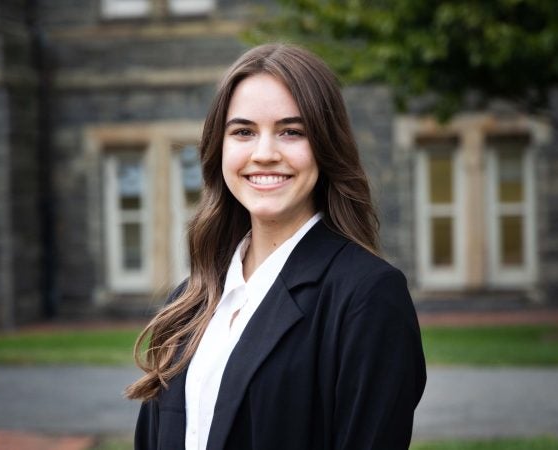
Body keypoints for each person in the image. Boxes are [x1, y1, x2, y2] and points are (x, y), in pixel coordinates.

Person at [126, 43, 426, 450]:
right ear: (221, 149)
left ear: (326, 146)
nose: (264, 154)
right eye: (243, 132)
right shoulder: (192, 299)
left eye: (291, 131)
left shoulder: (366, 297)